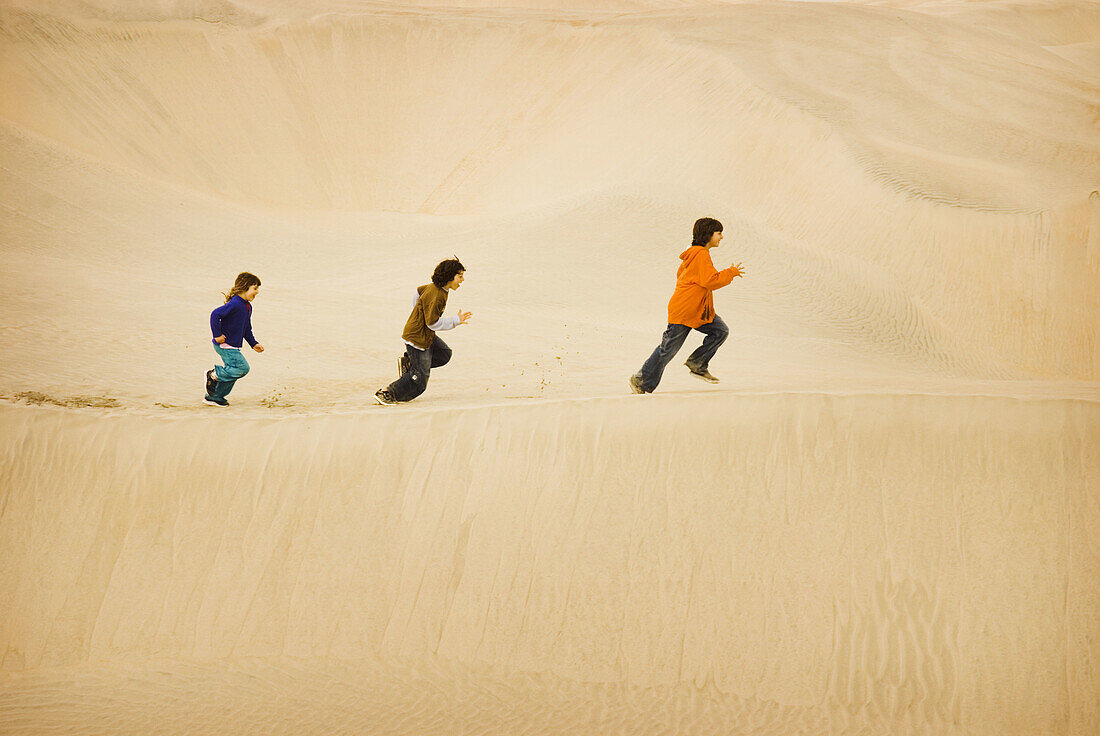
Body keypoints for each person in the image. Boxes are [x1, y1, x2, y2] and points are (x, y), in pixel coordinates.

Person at [630, 218, 743, 394]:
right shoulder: (700, 254)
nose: (721, 237)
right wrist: (731, 273)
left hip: (698, 311)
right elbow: (710, 281)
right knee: (667, 351)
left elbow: (684, 277)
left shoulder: (693, 254)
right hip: (685, 311)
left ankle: (697, 363)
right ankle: (641, 380)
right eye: (718, 233)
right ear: (708, 234)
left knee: (720, 331)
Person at [375, 258, 472, 405]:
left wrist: (418, 313)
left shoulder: (437, 288)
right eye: (460, 276)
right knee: (420, 382)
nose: (462, 280)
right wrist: (456, 321)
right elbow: (433, 323)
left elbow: (417, 291)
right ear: (449, 276)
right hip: (417, 339)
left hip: (424, 335)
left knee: (444, 354)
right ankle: (387, 393)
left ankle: (411, 364)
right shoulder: (437, 295)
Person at [205, 272, 264, 406]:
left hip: (233, 345)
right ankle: (213, 375)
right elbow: (215, 314)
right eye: (255, 288)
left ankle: (214, 397)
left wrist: (253, 343)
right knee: (242, 368)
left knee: (233, 373)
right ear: (245, 287)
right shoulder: (236, 304)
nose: (257, 292)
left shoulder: (247, 306)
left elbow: (246, 328)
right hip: (225, 344)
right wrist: (217, 335)